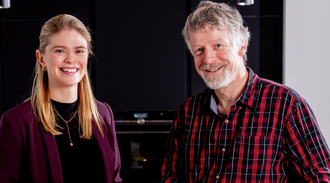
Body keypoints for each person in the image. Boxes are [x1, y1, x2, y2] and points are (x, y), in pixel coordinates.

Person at [160, 1, 330, 182]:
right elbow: (170, 178)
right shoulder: (188, 112)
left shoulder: (286, 104)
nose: (208, 59)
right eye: (199, 50)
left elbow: (320, 176)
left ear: (242, 46)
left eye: (218, 45)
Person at [0, 14, 122, 183]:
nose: (71, 59)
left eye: (79, 51)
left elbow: (115, 179)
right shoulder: (16, 122)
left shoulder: (104, 113)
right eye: (59, 50)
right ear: (41, 58)